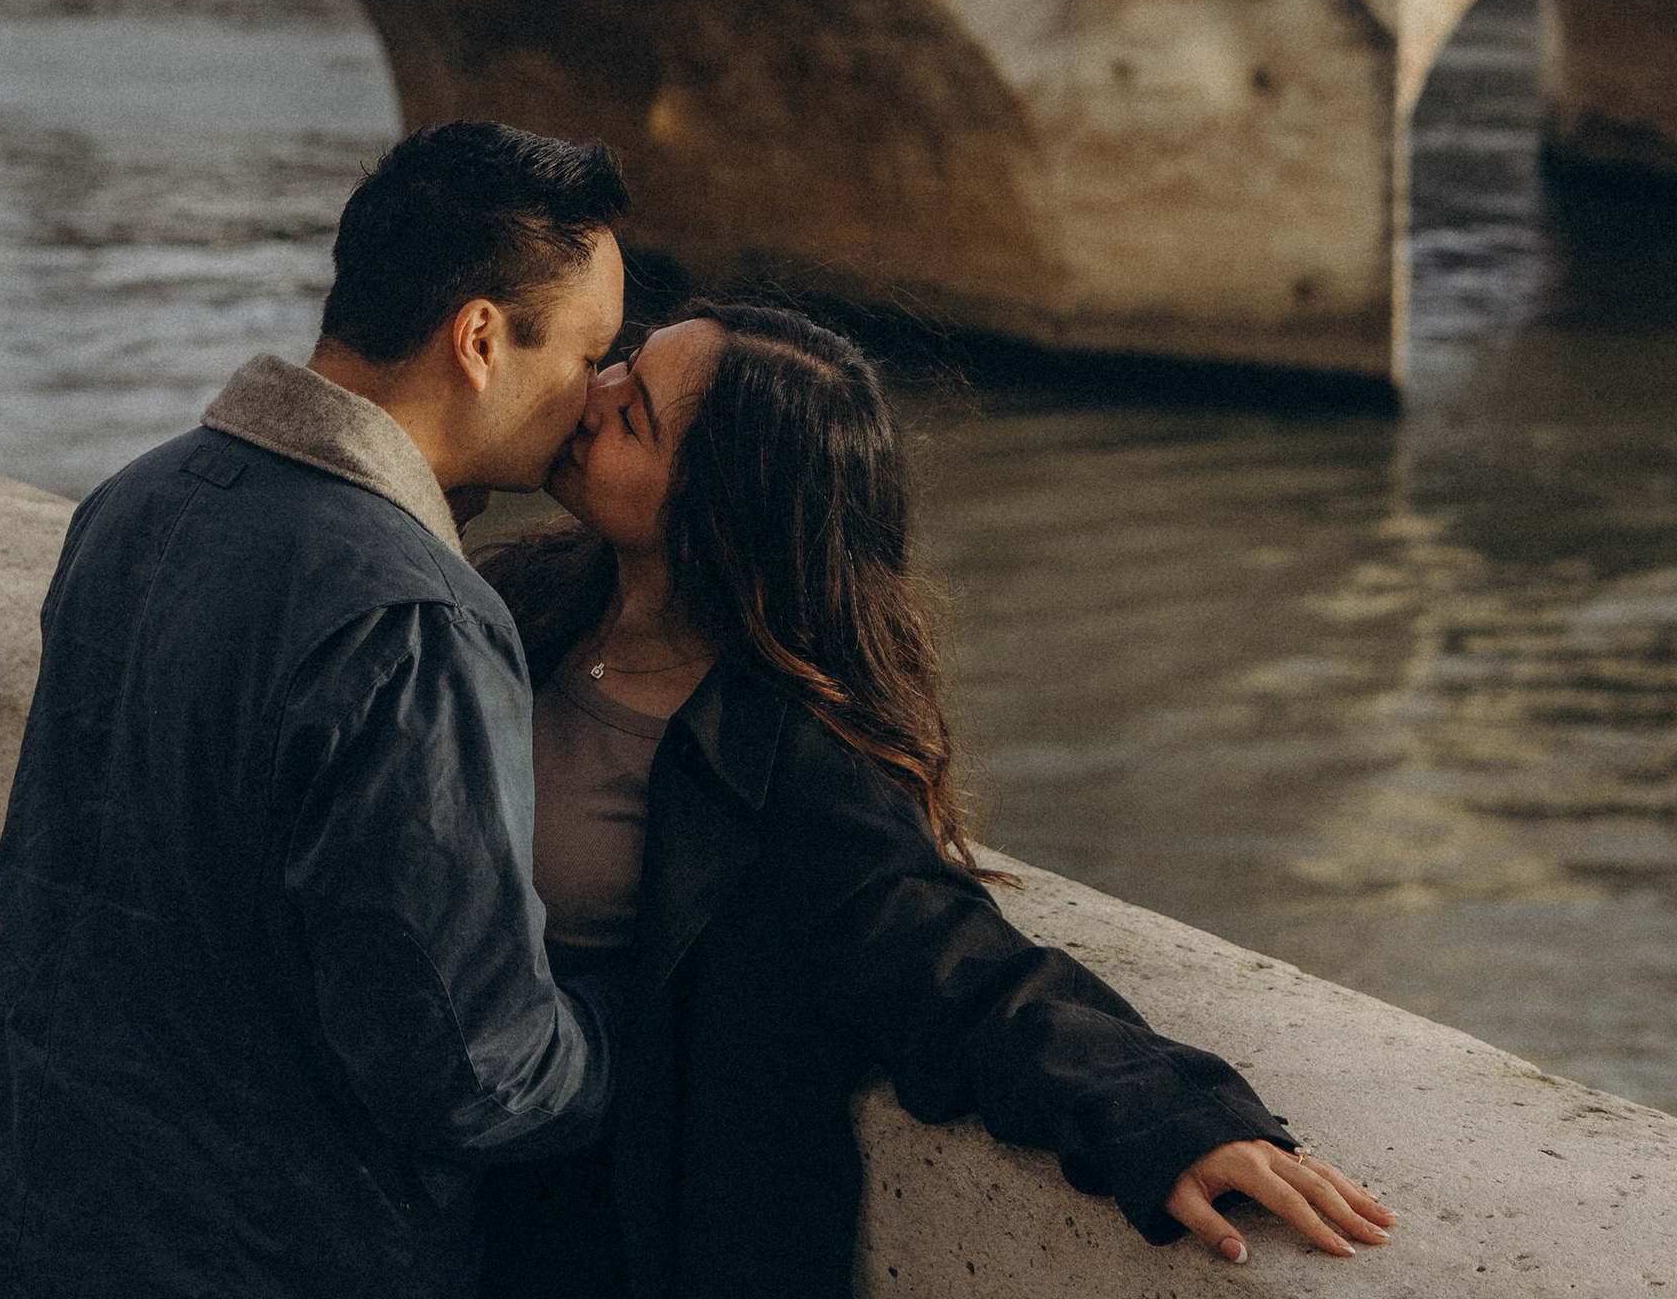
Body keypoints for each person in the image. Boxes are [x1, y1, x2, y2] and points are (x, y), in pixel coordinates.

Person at [476, 303, 1399, 1299]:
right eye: (623, 364)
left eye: (634, 415)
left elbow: (947, 956)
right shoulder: (520, 596)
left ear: (718, 508)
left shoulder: (790, 754)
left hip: (583, 1232)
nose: (592, 391)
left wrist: (1165, 1113)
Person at [0, 124, 633, 1299]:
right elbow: (472, 1069)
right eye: (588, 351)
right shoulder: (414, 617)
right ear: (478, 340)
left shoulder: (135, 499)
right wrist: (641, 1029)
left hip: (36, 1229)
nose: (596, 394)